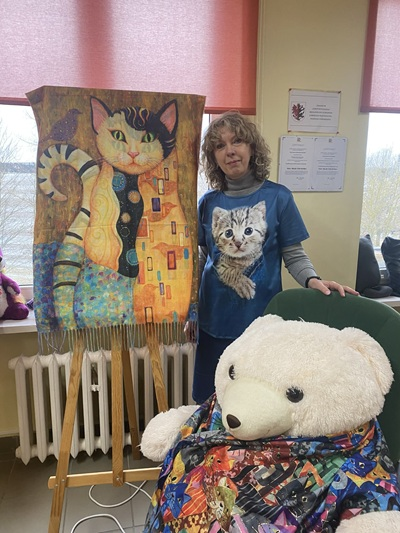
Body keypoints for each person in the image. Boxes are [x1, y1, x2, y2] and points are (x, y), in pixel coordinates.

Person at [188, 111, 358, 404]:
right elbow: (202, 258)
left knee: (255, 403)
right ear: (213, 157)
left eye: (237, 141)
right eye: (220, 145)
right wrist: (191, 309)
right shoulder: (208, 203)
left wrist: (313, 280)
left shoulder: (279, 198)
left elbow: (293, 253)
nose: (230, 151)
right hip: (212, 321)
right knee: (211, 402)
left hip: (261, 324)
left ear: (251, 147)